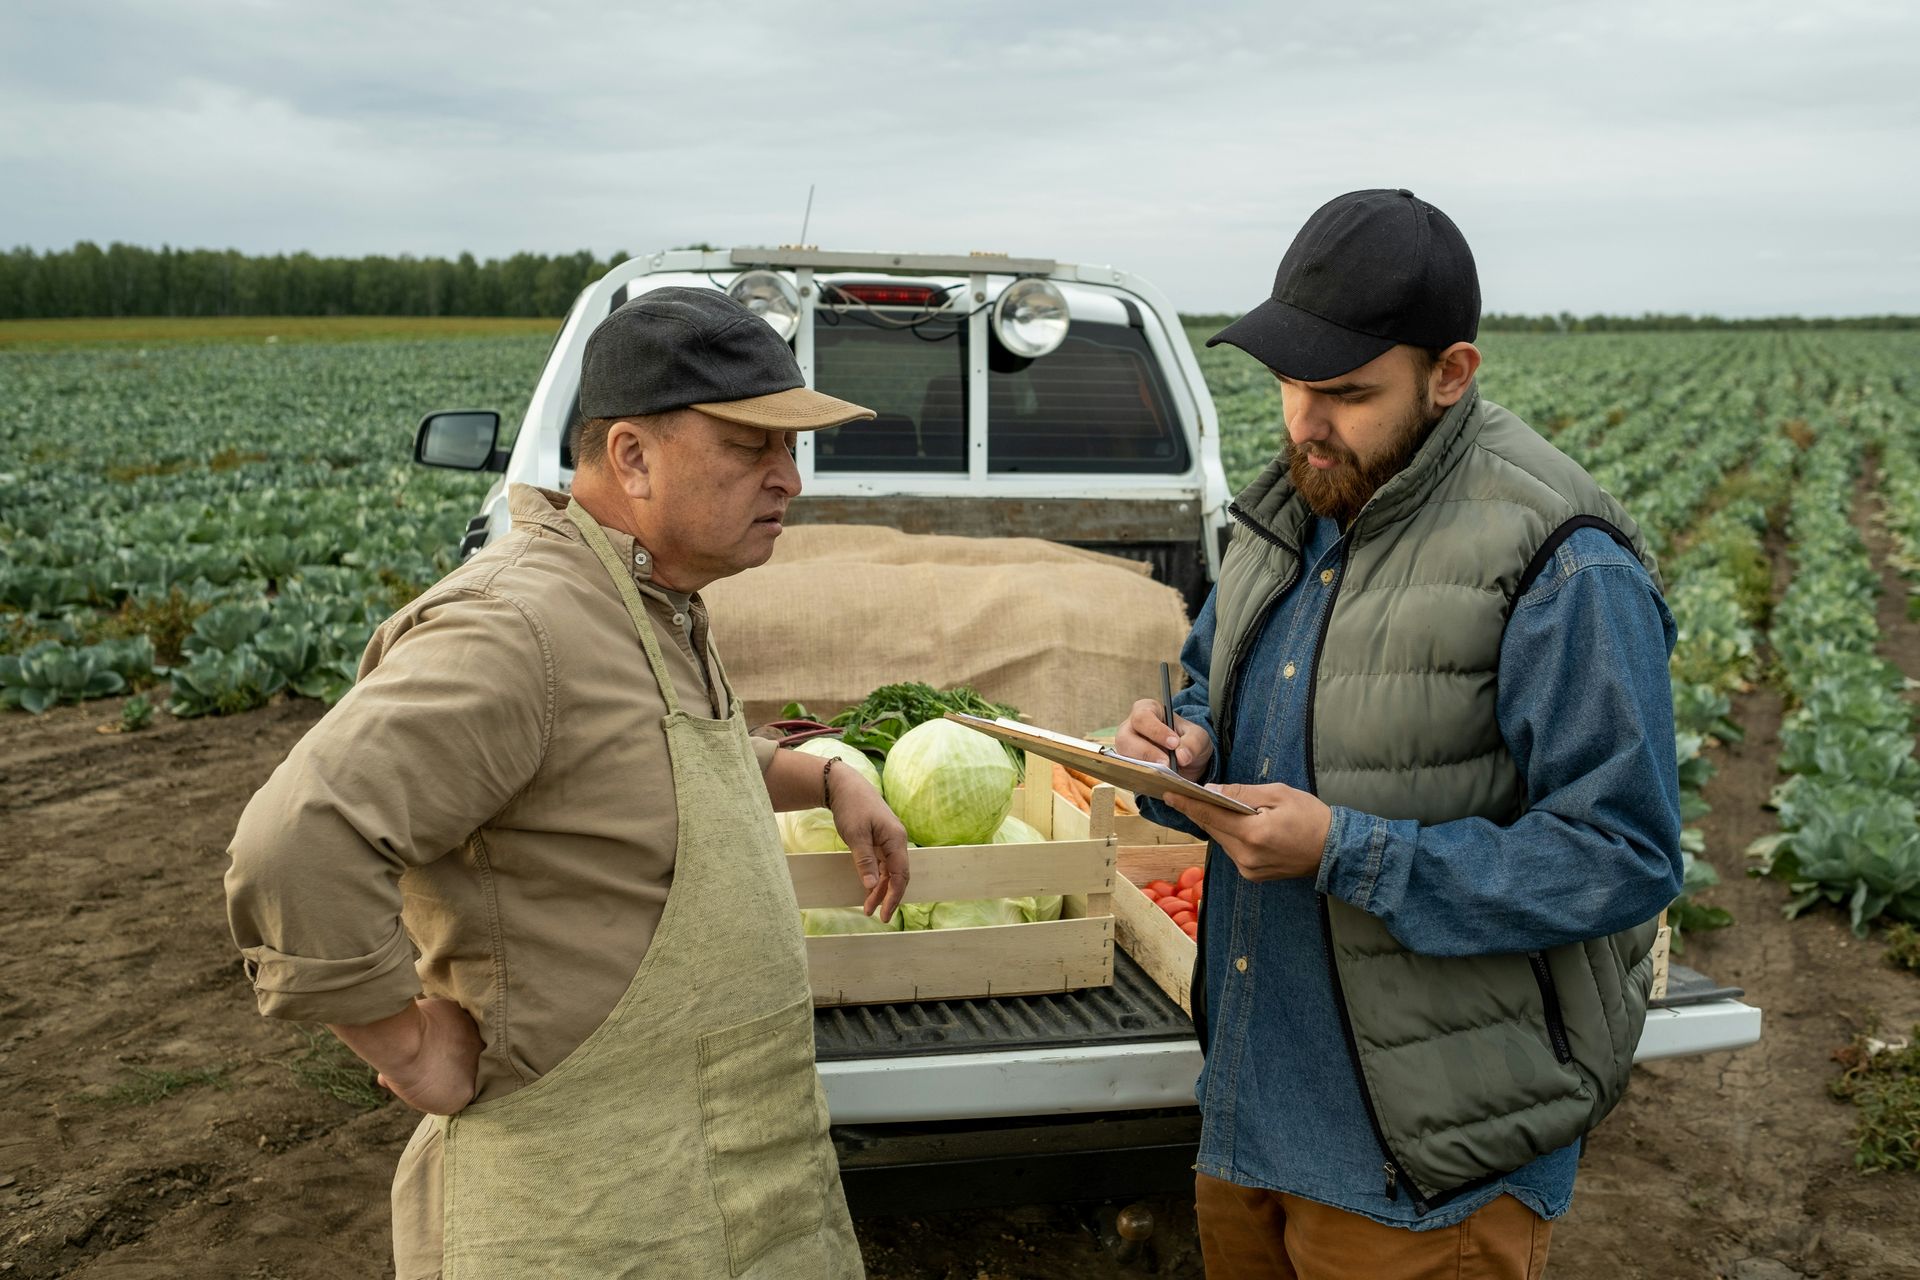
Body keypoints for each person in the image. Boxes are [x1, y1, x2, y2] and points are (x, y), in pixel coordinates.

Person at [226, 287, 908, 1278]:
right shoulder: (520, 627)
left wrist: (826, 774)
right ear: (631, 455)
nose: (788, 480)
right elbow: (296, 840)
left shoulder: (653, 594)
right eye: (752, 446)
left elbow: (642, 766)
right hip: (589, 1211)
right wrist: (406, 1042)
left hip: (714, 1174)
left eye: (792, 448)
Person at [1118, 189, 1682, 1279]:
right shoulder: (1288, 507)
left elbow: (1627, 854)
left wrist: (1348, 849)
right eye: (1287, 382)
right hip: (1252, 1116)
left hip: (1427, 1167)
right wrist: (1178, 750)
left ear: (1451, 373)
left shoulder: (1561, 558)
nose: (1304, 422)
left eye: (1345, 392)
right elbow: (1213, 690)